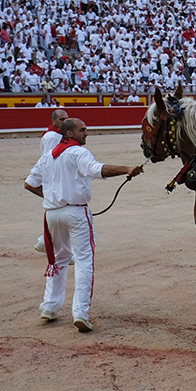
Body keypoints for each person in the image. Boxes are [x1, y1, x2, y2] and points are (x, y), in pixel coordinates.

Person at [24, 118, 144, 332]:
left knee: (58, 260)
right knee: (83, 260)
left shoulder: (47, 157)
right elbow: (97, 170)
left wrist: (53, 197)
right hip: (76, 212)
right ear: (69, 134)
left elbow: (29, 184)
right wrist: (127, 168)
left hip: (52, 214)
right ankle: (80, 312)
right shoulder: (78, 153)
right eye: (82, 130)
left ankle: (49, 307)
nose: (86, 133)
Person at [34, 108, 69, 253]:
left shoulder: (56, 135)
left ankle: (44, 241)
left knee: (60, 213)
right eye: (61, 119)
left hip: (56, 181)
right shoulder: (52, 137)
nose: (65, 122)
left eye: (66, 119)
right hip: (56, 181)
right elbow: (50, 159)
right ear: (53, 121)